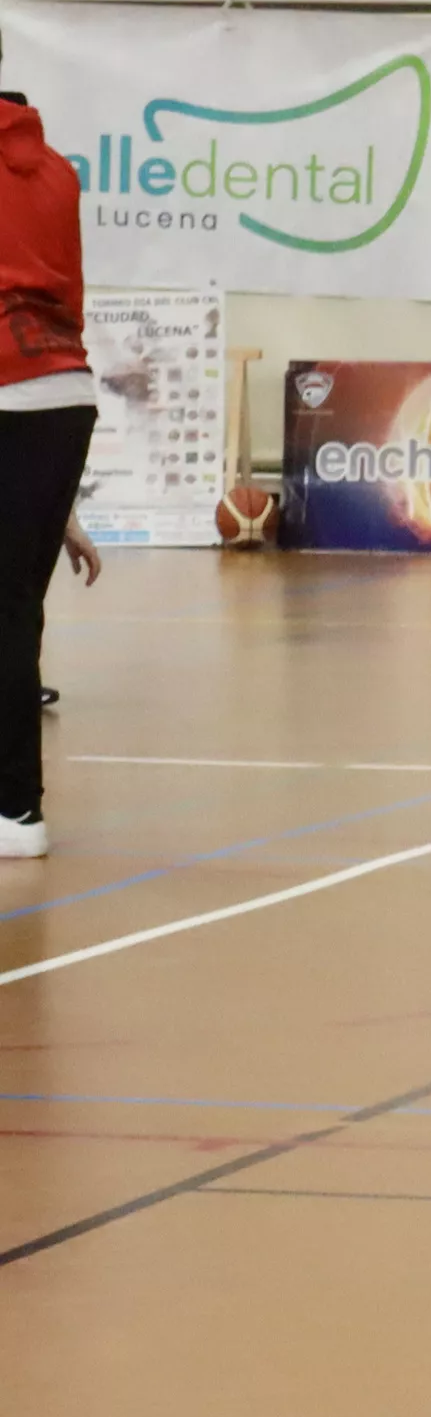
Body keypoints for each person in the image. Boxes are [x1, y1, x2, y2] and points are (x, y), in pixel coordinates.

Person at [0, 91, 115, 859]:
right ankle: (17, 813)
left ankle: (12, 811)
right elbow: (65, 296)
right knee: (13, 610)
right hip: (62, 396)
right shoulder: (58, 173)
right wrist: (59, 507)